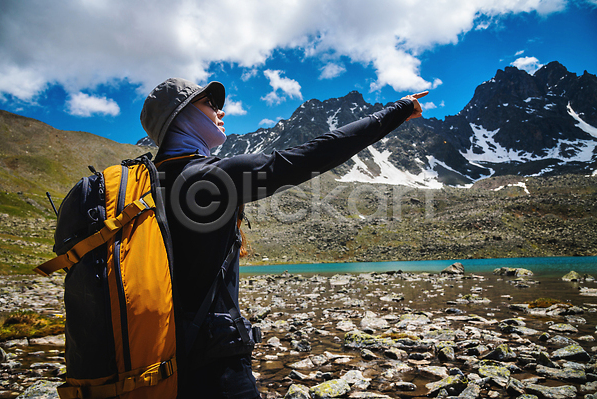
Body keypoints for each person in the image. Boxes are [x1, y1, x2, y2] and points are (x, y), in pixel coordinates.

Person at [140, 77, 427, 399]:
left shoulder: (143, 186)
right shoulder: (208, 178)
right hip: (213, 364)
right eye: (209, 103)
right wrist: (398, 110)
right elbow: (319, 152)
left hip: (153, 357)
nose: (220, 111)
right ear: (180, 117)